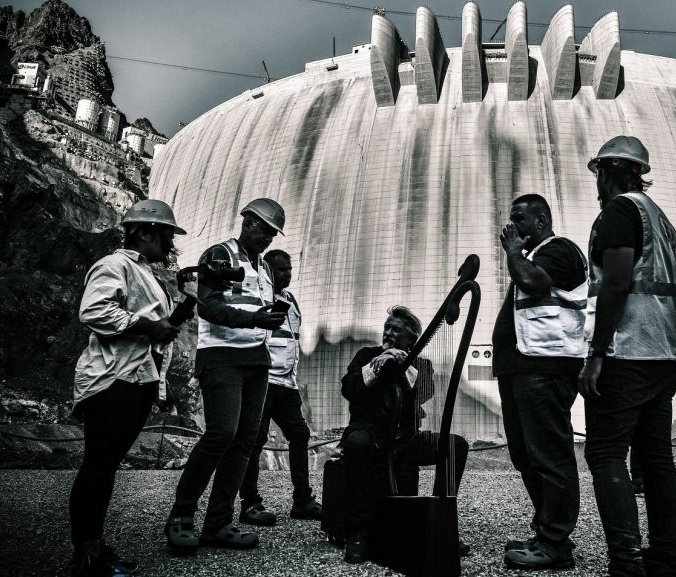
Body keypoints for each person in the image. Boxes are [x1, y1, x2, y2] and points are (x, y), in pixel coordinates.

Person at [579, 136, 676, 577]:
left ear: (612, 172)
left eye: (599, 174)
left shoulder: (619, 212)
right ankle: (664, 560)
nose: (597, 184)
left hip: (628, 350)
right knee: (656, 457)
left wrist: (596, 353)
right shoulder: (661, 220)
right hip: (665, 351)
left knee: (605, 454)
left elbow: (617, 283)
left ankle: (626, 565)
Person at [164, 198, 289, 555]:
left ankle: (218, 522)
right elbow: (209, 306)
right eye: (263, 229)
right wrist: (254, 319)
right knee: (221, 433)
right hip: (221, 358)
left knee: (245, 440)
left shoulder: (263, 268)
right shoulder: (219, 255)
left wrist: (267, 318)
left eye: (272, 233)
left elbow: (251, 307)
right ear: (246, 222)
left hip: (256, 359)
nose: (267, 238)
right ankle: (181, 515)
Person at [68, 199, 185, 576]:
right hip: (111, 380)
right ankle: (86, 557)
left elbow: (154, 327)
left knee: (106, 466)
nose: (171, 244)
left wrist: (172, 318)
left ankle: (95, 547)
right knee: (98, 466)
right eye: (167, 235)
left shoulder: (144, 272)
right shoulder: (114, 265)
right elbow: (94, 311)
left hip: (135, 379)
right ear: (145, 233)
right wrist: (149, 327)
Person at [494, 193, 588, 570]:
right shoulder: (531, 257)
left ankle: (555, 544)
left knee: (551, 456)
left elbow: (533, 283)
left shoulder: (559, 250)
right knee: (526, 455)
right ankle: (546, 529)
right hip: (522, 371)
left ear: (542, 221)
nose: (511, 225)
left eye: (519, 218)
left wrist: (513, 253)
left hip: (545, 372)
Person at [338, 306, 470, 564]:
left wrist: (404, 363)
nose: (387, 332)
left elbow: (424, 394)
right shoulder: (367, 355)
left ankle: (439, 522)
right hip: (369, 435)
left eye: (395, 329)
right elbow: (349, 388)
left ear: (410, 338)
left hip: (405, 440)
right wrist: (376, 367)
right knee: (357, 444)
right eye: (386, 327)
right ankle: (358, 530)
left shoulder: (421, 364)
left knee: (457, 446)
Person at [237, 249, 323, 525]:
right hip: (263, 380)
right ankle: (250, 503)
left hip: (287, 383)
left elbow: (292, 343)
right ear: (267, 270)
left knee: (300, 434)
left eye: (289, 268)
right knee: (254, 440)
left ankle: (302, 500)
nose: (288, 273)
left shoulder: (290, 300)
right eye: (282, 269)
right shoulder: (257, 298)